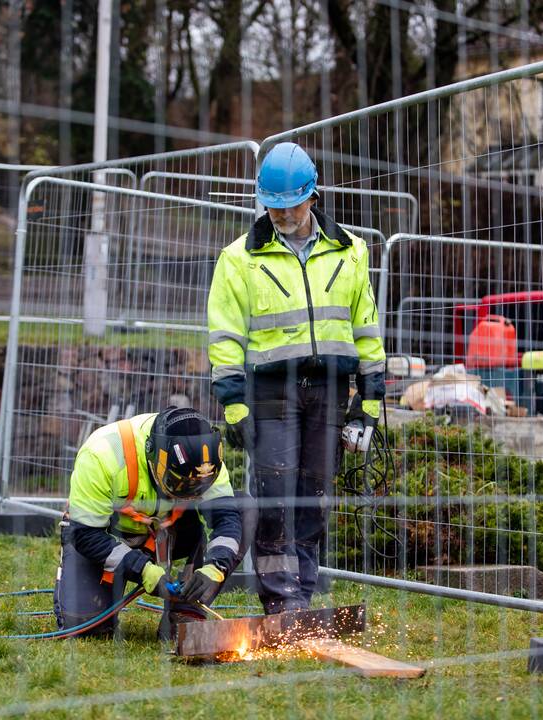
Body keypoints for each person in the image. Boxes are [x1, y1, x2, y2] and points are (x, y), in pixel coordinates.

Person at [207, 142, 386, 614]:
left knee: (314, 495)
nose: (283, 214)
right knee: (275, 496)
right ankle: (281, 602)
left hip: (329, 391)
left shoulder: (350, 253)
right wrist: (234, 405)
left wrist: (369, 401)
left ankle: (302, 594)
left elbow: (366, 328)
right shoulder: (239, 260)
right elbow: (225, 338)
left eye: (291, 205)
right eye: (274, 206)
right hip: (269, 393)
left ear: (313, 196)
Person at [53, 406, 250, 638]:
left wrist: (215, 567)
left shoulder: (205, 462)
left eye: (197, 489)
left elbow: (226, 520)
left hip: (169, 535)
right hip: (107, 539)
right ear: (154, 456)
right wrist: (143, 570)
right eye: (178, 484)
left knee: (245, 509)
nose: (190, 495)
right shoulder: (102, 453)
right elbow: (85, 534)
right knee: (87, 627)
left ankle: (186, 612)